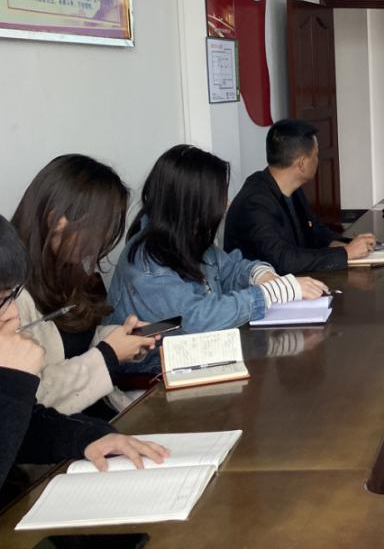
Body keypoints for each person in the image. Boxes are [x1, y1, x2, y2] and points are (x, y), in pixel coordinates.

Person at [107, 145, 328, 366]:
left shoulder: (188, 238)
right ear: (192, 202)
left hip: (200, 358)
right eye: (218, 196)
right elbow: (195, 319)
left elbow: (231, 268)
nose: (225, 203)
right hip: (153, 375)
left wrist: (259, 274)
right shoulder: (147, 262)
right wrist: (267, 294)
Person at [0, 215, 168, 487]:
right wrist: (13, 383)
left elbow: (27, 427)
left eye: (11, 297)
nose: (13, 315)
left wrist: (90, 438)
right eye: (1, 301)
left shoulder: (72, 277)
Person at [10, 155, 156, 414]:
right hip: (63, 431)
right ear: (56, 220)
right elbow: (28, 397)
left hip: (98, 416)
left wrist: (118, 338)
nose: (103, 241)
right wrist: (109, 355)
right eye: (99, 229)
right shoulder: (11, 297)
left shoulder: (67, 269)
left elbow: (75, 343)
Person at [224, 120, 376, 273]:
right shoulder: (255, 203)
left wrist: (347, 244)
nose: (318, 160)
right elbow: (283, 260)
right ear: (302, 163)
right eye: (316, 155)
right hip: (259, 285)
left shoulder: (291, 187)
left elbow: (315, 229)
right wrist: (346, 253)